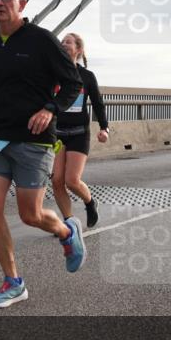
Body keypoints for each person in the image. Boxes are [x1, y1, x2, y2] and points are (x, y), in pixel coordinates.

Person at [0, 0, 86, 308]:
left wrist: (49, 109)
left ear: (22, 3)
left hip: (33, 139)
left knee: (30, 215)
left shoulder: (42, 40)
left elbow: (72, 84)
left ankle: (66, 232)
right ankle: (13, 281)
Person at [52, 33, 109, 227]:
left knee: (71, 180)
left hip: (79, 133)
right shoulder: (53, 73)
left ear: (78, 50)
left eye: (68, 42)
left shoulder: (87, 76)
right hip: (58, 133)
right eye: (62, 42)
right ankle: (69, 222)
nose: (64, 44)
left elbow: (98, 104)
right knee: (57, 180)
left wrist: (104, 128)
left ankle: (90, 202)